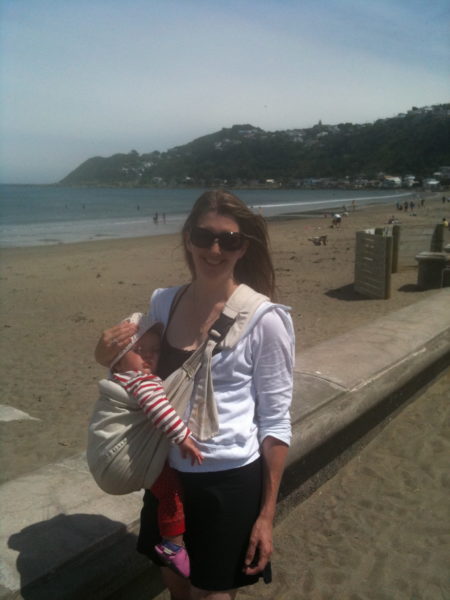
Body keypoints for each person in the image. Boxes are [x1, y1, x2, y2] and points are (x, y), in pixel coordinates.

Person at [94, 189, 295, 599]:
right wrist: (104, 354)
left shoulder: (266, 320)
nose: (214, 249)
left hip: (230, 482)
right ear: (189, 238)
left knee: (213, 594)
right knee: (174, 583)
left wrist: (266, 515)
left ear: (244, 248)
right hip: (166, 476)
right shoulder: (162, 303)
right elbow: (136, 366)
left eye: (229, 239)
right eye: (204, 236)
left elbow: (275, 422)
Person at [110, 314, 203, 578]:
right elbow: (159, 408)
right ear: (118, 359)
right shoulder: (140, 380)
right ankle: (173, 547)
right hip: (141, 456)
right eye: (138, 351)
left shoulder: (120, 377)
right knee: (171, 492)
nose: (148, 357)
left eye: (154, 350)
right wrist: (183, 436)